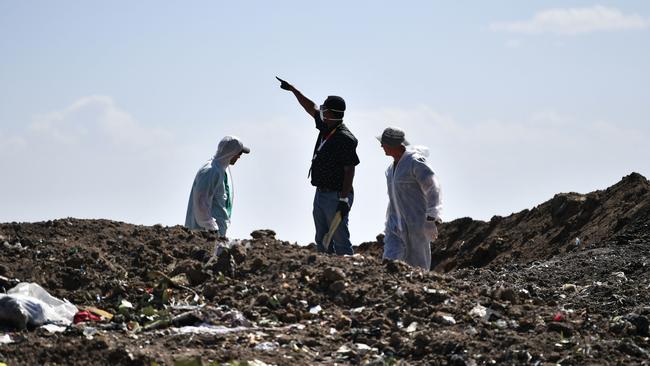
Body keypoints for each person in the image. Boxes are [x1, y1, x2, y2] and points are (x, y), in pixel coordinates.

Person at [277, 76, 360, 255]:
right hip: (321, 193)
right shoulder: (326, 126)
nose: (321, 110)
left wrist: (344, 200)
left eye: (325, 109)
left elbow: (349, 170)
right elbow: (311, 107)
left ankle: (349, 273)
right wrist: (293, 90)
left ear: (331, 113)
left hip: (336, 195)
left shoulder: (345, 138)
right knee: (322, 237)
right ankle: (326, 272)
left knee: (339, 236)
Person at [379, 127, 442, 270]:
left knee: (418, 267)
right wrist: (388, 221)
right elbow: (394, 198)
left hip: (416, 225)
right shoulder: (390, 170)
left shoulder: (414, 162)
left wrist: (431, 218)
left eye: (383, 143)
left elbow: (433, 187)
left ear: (392, 144)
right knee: (390, 263)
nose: (381, 146)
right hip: (395, 225)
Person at [185, 136, 250, 237]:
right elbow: (201, 203)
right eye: (239, 153)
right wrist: (212, 229)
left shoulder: (222, 170)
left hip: (216, 233)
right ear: (231, 152)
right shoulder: (210, 171)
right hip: (204, 235)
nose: (239, 157)